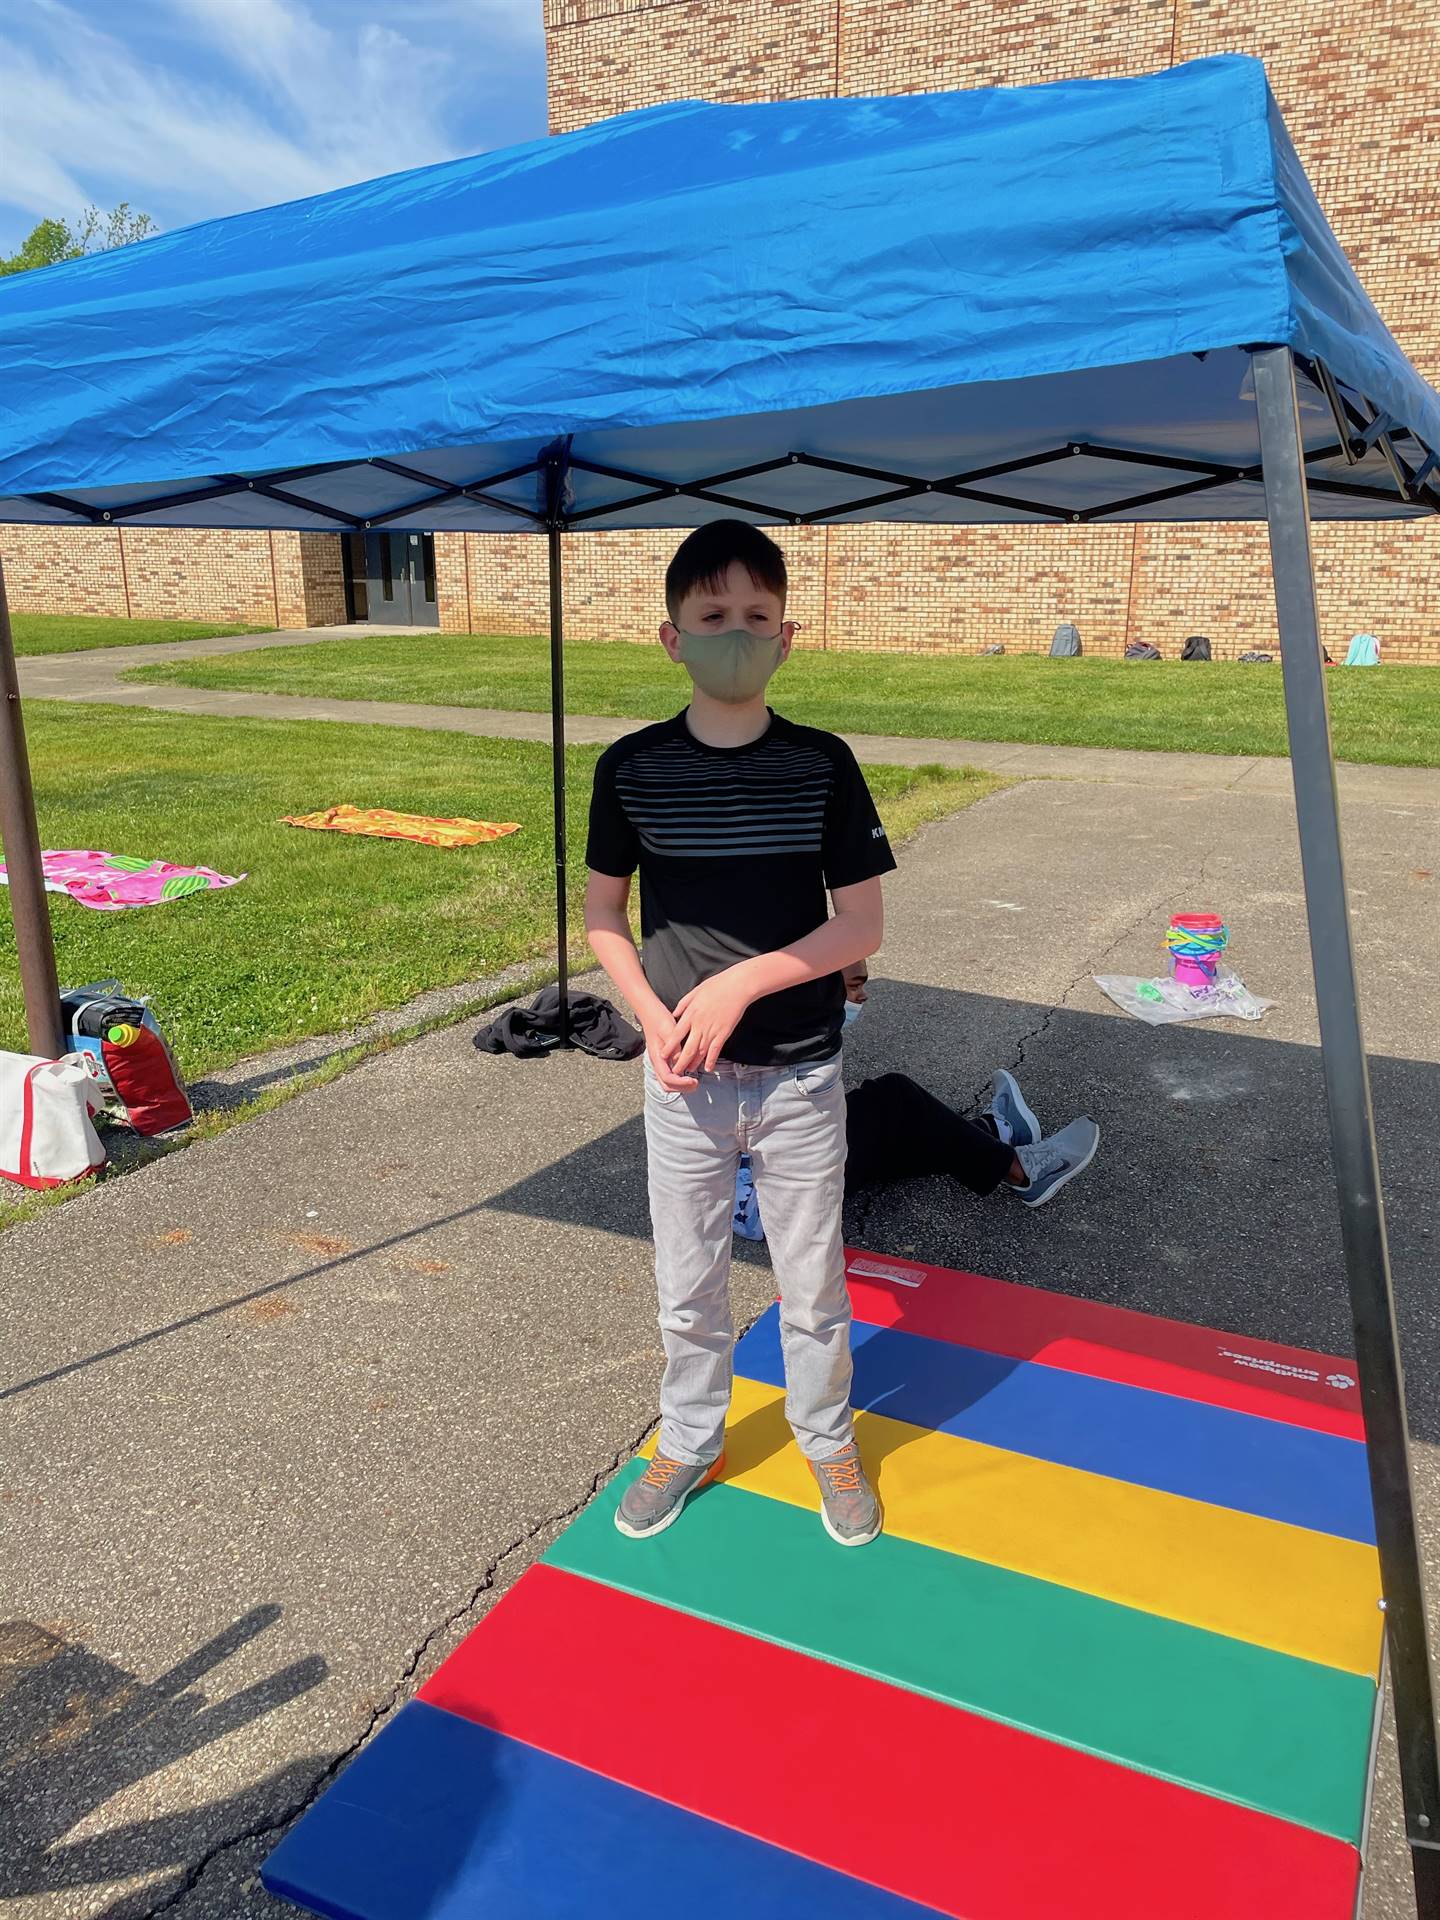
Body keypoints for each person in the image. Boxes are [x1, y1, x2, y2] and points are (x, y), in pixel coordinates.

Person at [585, 521, 894, 1550]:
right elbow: (602, 920)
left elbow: (859, 924)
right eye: (712, 617)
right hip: (681, 1081)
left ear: (787, 637)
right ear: (672, 638)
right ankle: (689, 1437)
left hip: (802, 1074)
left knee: (812, 1284)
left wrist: (741, 985)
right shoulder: (629, 769)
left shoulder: (823, 765)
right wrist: (659, 1016)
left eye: (756, 618)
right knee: (689, 1285)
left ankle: (826, 1439)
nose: (735, 634)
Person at [733, 964, 1100, 1238]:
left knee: (880, 1123)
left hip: (763, 1179)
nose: (862, 998)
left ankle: (993, 1131)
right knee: (892, 1099)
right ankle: (1021, 1170)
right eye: (853, 987)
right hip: (760, 1201)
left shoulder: (765, 1034)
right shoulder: (758, 1048)